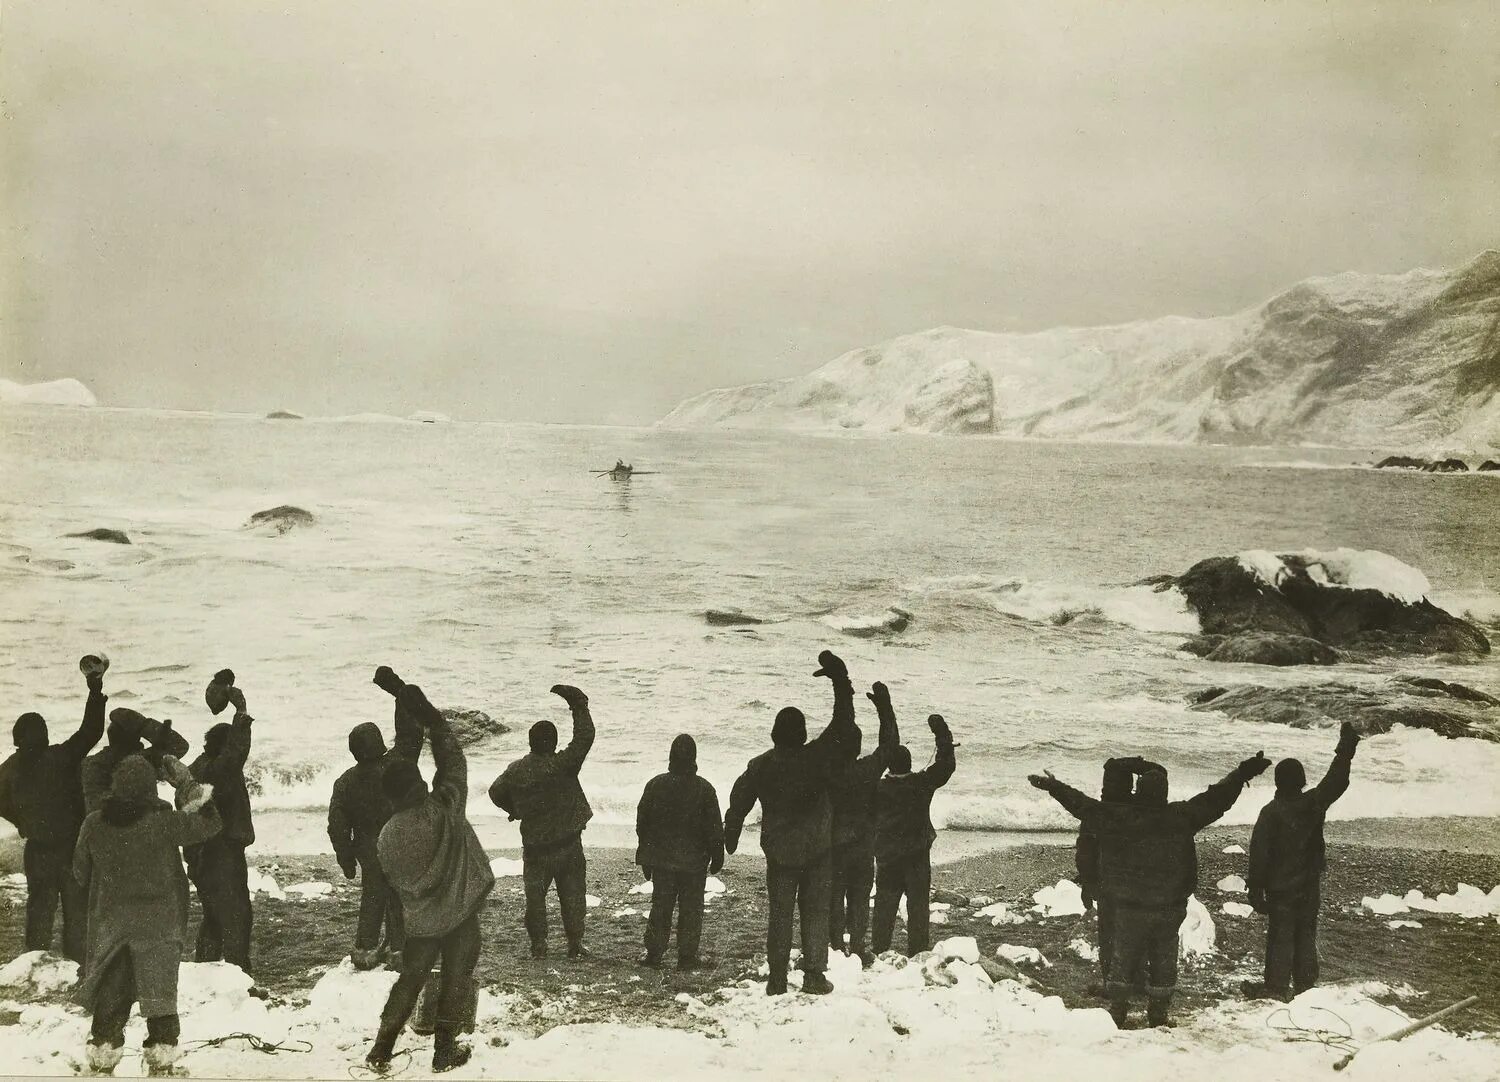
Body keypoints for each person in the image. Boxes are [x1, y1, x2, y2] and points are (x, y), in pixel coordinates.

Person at [1030, 752, 1270, 1028]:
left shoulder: (1118, 816)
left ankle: (1118, 1011)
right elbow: (1218, 798)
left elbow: (1083, 806)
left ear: (1137, 792)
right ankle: (1158, 1015)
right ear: (1164, 793)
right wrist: (1241, 773)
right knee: (1164, 960)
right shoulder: (1181, 816)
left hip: (1129, 906)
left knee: (1122, 955)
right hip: (1168, 907)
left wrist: (1054, 786)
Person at [367, 682, 496, 1074]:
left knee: (410, 981)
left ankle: (381, 1048)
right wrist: (434, 721)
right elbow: (454, 765)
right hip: (458, 915)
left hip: (419, 921)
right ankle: (444, 1052)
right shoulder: (443, 810)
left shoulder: (386, 836)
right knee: (458, 978)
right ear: (419, 788)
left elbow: (391, 885)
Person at [72, 753, 220, 1077]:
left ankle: (101, 1063)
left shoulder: (93, 823)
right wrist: (185, 781)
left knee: (111, 998)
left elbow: (79, 873)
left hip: (112, 927)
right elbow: (210, 823)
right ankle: (162, 1064)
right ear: (151, 789)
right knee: (161, 995)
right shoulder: (164, 822)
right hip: (160, 925)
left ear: (116, 787)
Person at [723, 650, 858, 996]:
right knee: (815, 913)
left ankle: (777, 979)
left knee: (780, 916)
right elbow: (843, 725)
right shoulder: (817, 757)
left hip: (780, 853)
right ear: (801, 733)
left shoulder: (761, 765)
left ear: (773, 733)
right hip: (817, 850)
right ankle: (813, 976)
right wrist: (840, 681)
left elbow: (740, 798)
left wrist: (731, 831)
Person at [0, 659, 108, 963]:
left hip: (37, 851)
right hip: (71, 849)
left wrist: (21, 820)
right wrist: (95, 688)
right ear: (44, 735)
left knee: (38, 916)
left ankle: (35, 968)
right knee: (76, 916)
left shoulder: (9, 768)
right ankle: (77, 968)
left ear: (17, 738)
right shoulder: (62, 756)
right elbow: (91, 731)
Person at [1245, 722, 1360, 1002]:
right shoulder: (1313, 804)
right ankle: (1305, 987)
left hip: (1280, 889)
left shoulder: (1270, 813)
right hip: (1309, 885)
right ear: (1302, 781)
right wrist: (1345, 751)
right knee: (1306, 934)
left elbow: (1259, 854)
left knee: (1280, 937)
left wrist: (1255, 890)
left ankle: (1275, 988)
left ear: (1277, 783)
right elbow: (1336, 782)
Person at [487, 684, 596, 960]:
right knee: (573, 898)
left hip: (535, 847)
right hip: (568, 844)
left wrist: (515, 809)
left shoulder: (516, 770)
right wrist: (578, 704)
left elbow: (494, 792)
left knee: (535, 900)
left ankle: (539, 945)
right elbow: (585, 736)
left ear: (530, 742)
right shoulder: (563, 765)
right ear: (554, 743)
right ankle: (574, 945)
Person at [327, 668, 426, 970]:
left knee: (373, 897)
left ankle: (366, 950)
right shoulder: (398, 764)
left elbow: (337, 826)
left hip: (369, 851)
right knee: (400, 899)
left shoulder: (345, 782)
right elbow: (412, 733)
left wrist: (346, 859)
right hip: (403, 845)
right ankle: (399, 951)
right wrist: (400, 693)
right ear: (381, 743)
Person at [185, 670, 257, 983]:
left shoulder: (197, 769)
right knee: (237, 915)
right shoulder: (218, 771)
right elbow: (236, 752)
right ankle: (240, 979)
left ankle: (205, 975)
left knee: (214, 916)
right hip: (221, 854)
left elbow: (232, 753)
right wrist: (240, 709)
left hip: (202, 855)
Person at [634, 734, 724, 970]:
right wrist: (717, 855)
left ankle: (654, 954)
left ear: (671, 756)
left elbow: (643, 824)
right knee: (691, 909)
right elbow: (714, 827)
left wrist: (645, 857)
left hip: (663, 862)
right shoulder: (705, 789)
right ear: (694, 758)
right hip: (694, 863)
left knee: (660, 907)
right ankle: (686, 957)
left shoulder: (655, 784)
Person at [870, 713, 957, 957]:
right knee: (918, 906)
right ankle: (918, 952)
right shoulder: (921, 783)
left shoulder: (878, 787)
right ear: (909, 764)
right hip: (917, 855)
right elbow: (946, 765)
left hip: (887, 855)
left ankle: (880, 951)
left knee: (884, 905)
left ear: (889, 767)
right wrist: (942, 734)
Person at [827, 680, 900, 966]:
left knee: (834, 895)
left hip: (834, 843)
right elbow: (890, 746)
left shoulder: (828, 772)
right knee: (859, 896)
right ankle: (857, 945)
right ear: (858, 747)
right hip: (862, 843)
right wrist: (885, 709)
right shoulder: (867, 769)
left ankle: (834, 944)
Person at [1076, 757, 1161, 992]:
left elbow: (1085, 851)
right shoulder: (1140, 808)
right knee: (1137, 934)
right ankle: (1137, 980)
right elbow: (1159, 772)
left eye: (1109, 781)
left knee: (1109, 935)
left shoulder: (1097, 812)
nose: (1105, 787)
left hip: (1109, 885)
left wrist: (1087, 883)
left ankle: (1112, 983)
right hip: (1139, 885)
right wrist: (1130, 764)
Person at [82, 708, 190, 816]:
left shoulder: (89, 763)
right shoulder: (143, 760)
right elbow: (179, 745)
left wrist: (141, 724)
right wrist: (143, 724)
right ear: (137, 741)